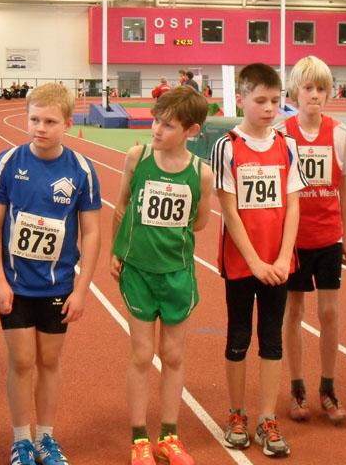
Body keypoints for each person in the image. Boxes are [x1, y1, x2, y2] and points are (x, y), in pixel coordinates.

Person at [0, 82, 102, 465]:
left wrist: (81, 290)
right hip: (16, 285)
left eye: (50, 121)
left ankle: (45, 438)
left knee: (49, 361)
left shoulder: (82, 170)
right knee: (21, 362)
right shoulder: (7, 163)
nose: (40, 128)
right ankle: (21, 440)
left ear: (67, 123)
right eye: (34, 119)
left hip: (58, 286)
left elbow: (92, 232)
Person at [110, 86, 213, 465]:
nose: (156, 129)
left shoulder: (201, 174)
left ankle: (169, 436)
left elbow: (199, 223)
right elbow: (121, 205)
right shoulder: (137, 157)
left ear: (191, 130)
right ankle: (139, 438)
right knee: (142, 354)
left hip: (177, 275)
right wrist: (116, 250)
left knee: (173, 354)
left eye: (168, 125)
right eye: (156, 120)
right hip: (138, 271)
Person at [210, 63, 307, 457]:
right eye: (260, 100)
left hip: (279, 264)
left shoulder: (287, 145)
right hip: (241, 263)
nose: (269, 108)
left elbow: (293, 205)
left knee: (271, 340)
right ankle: (237, 414)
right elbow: (229, 211)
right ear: (241, 99)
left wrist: (282, 258)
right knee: (238, 338)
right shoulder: (227, 146)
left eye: (275, 101)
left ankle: (267, 417)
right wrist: (254, 262)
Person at [275, 55, 346, 424]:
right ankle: (297, 388)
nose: (315, 95)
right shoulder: (282, 132)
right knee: (293, 312)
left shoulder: (340, 133)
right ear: (295, 92)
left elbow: (343, 189)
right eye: (308, 88)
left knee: (330, 313)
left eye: (321, 88)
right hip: (293, 239)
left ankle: (328, 387)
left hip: (328, 237)